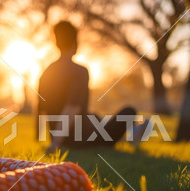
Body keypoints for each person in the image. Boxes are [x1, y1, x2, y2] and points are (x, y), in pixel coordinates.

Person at [38, 21, 147, 151]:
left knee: (94, 117)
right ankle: (132, 133)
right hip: (83, 140)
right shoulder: (79, 71)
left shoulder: (47, 72)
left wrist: (44, 137)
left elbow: (41, 109)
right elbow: (71, 108)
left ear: (57, 43)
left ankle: (131, 133)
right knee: (129, 111)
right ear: (75, 42)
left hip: (69, 134)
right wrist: (55, 144)